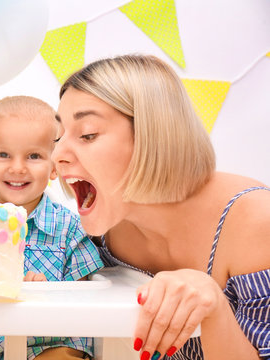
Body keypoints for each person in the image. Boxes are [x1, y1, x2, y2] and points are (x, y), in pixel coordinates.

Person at [52, 54, 270, 360]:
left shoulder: (256, 222)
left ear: (151, 135)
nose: (57, 154)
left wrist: (215, 309)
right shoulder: (103, 232)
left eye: (87, 134)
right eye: (57, 137)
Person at [0, 96, 103, 360]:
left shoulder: (70, 228)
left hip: (51, 346)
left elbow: (85, 305)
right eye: (3, 155)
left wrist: (47, 295)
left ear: (55, 166)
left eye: (33, 156)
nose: (17, 167)